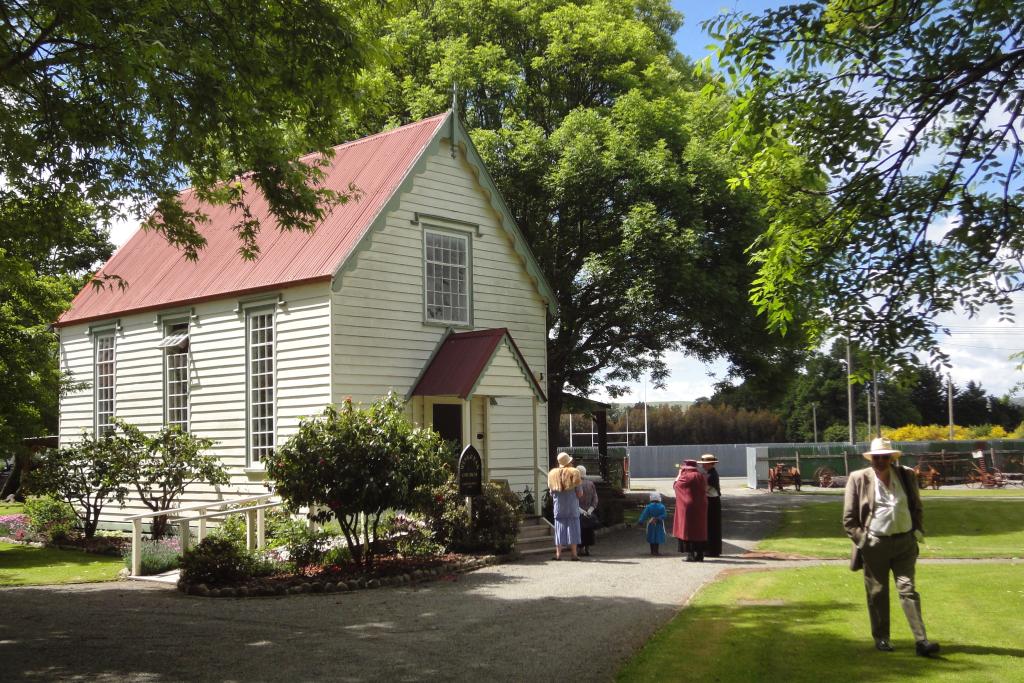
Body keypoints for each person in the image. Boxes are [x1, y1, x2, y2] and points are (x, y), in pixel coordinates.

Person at [843, 437, 940, 657]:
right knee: (877, 592)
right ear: (871, 458)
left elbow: (916, 505)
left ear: (891, 458)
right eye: (876, 457)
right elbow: (849, 519)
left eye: (884, 457)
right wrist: (864, 541)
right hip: (875, 543)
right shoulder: (858, 478)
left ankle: (921, 641)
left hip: (905, 542)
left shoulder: (906, 475)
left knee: (908, 590)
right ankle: (882, 638)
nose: (880, 461)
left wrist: (917, 532)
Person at [548, 452, 583, 561]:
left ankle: (558, 554)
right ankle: (574, 554)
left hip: (559, 507)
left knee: (559, 530)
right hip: (572, 507)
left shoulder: (552, 475)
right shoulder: (574, 473)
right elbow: (579, 493)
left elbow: (551, 492)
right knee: (573, 529)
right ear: (569, 462)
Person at [672, 459, 708, 562]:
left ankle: (690, 554)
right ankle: (700, 554)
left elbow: (676, 486)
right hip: (701, 505)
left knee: (688, 530)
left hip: (688, 506)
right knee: (700, 530)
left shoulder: (685, 476)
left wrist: (678, 475)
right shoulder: (701, 476)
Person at [701, 454, 722, 557]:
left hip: (712, 501)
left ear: (710, 464)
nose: (703, 466)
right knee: (710, 526)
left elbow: (705, 489)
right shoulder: (709, 473)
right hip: (711, 500)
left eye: (705, 464)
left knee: (712, 526)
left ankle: (712, 550)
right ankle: (711, 549)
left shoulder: (712, 475)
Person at [576, 465, 599, 556]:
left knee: (580, 531)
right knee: (589, 530)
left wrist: (581, 511)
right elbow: (595, 499)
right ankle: (587, 548)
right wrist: (590, 510)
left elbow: (574, 500)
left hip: (579, 511)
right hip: (589, 512)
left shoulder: (576, 484)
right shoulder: (591, 484)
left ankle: (580, 548)